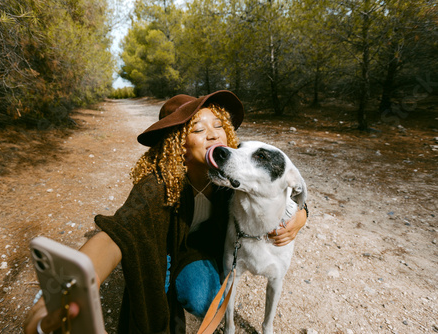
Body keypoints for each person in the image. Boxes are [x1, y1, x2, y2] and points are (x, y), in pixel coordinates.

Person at [24, 90, 308, 334]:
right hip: (163, 252)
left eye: (219, 125)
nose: (213, 134)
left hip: (199, 252)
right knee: (153, 304)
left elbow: (279, 184)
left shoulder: (231, 175)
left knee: (208, 300)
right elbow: (117, 233)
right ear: (177, 143)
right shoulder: (157, 187)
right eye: (197, 129)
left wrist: (301, 216)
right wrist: (53, 300)